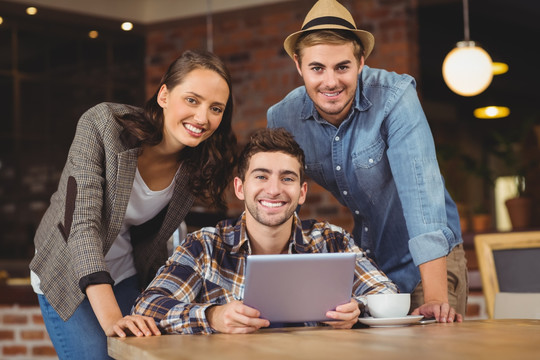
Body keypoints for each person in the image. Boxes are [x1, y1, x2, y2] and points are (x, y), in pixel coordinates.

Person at [267, 0, 467, 323]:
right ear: (298, 64)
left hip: (430, 264)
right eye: (317, 68)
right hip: (365, 266)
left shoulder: (395, 98)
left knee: (434, 345)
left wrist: (434, 298)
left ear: (361, 62)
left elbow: (423, 199)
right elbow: (277, 202)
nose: (330, 82)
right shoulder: (284, 118)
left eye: (342, 67)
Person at [29, 49, 237, 359]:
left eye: (216, 108)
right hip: (69, 265)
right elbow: (81, 225)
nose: (203, 118)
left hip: (125, 271)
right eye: (192, 100)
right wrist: (113, 319)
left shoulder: (199, 161)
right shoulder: (104, 125)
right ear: (164, 94)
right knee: (99, 354)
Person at [132, 128, 398, 334]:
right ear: (240, 188)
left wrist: (358, 309)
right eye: (261, 176)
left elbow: (385, 293)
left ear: (302, 192)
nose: (273, 190)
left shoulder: (332, 240)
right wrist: (212, 316)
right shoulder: (204, 246)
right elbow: (147, 306)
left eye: (287, 178)